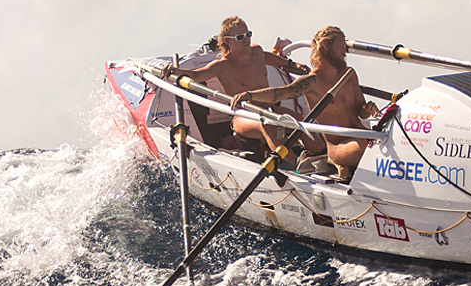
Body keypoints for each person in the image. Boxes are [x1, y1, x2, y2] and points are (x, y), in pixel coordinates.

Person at [161, 16, 317, 160]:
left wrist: (291, 65)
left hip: (270, 110)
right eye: (240, 37)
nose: (246, 40)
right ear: (227, 41)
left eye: (248, 34)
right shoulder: (222, 65)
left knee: (300, 123)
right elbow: (197, 76)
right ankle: (298, 167)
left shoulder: (257, 52)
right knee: (268, 125)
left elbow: (269, 57)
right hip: (242, 117)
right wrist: (176, 71)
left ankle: (321, 158)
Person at [230, 26, 378, 174]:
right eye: (340, 47)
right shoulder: (312, 82)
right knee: (372, 148)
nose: (344, 52)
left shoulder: (349, 74)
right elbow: (281, 93)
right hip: (339, 147)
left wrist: (368, 109)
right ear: (326, 46)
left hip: (364, 136)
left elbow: (361, 111)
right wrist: (250, 95)